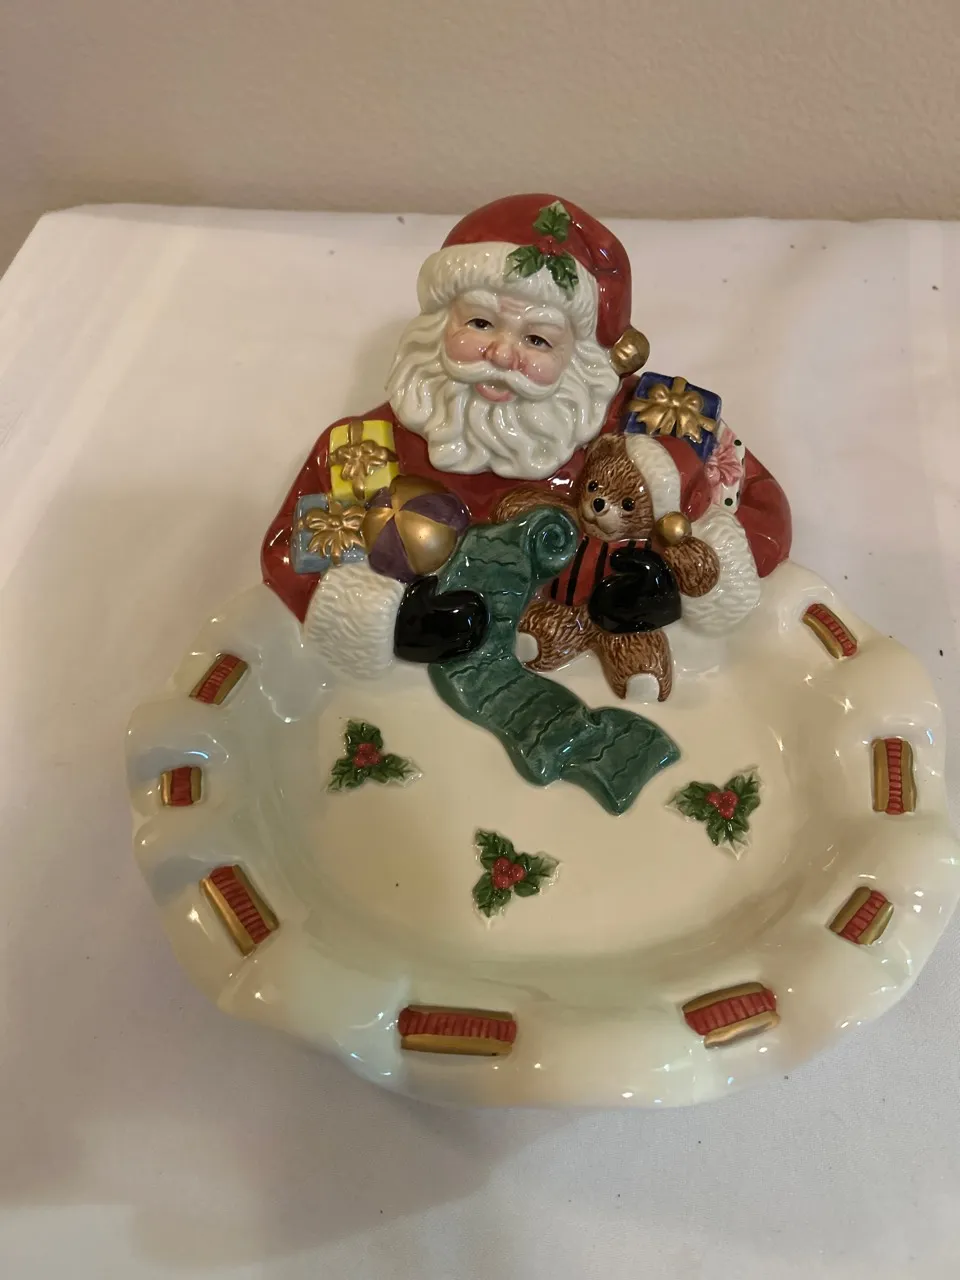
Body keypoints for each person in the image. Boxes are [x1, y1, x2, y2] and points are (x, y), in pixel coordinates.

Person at [261, 193, 791, 679]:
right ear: (439, 324)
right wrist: (390, 620)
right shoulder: (364, 450)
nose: (501, 354)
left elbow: (760, 509)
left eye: (537, 339)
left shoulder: (656, 432)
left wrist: (679, 584)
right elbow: (296, 554)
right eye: (480, 324)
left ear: (580, 358)